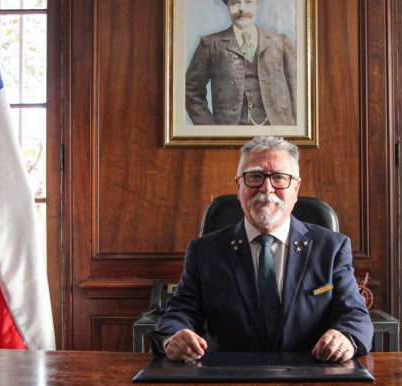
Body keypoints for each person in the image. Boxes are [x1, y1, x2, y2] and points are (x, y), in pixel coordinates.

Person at [153, 136, 373, 362]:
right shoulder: (205, 251)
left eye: (279, 177)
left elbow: (355, 315)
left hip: (312, 379)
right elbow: (179, 313)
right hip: (227, 380)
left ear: (296, 188)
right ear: (238, 186)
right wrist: (174, 337)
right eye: (255, 176)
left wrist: (346, 336)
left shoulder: (331, 248)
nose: (266, 188)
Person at [185, 0, 296, 126]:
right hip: (231, 134)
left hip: (278, 131)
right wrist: (211, 129)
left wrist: (295, 131)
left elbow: (298, 89)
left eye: (248, 2)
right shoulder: (210, 44)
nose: (242, 8)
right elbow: (190, 90)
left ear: (257, 4)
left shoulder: (280, 42)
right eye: (234, 3)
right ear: (227, 6)